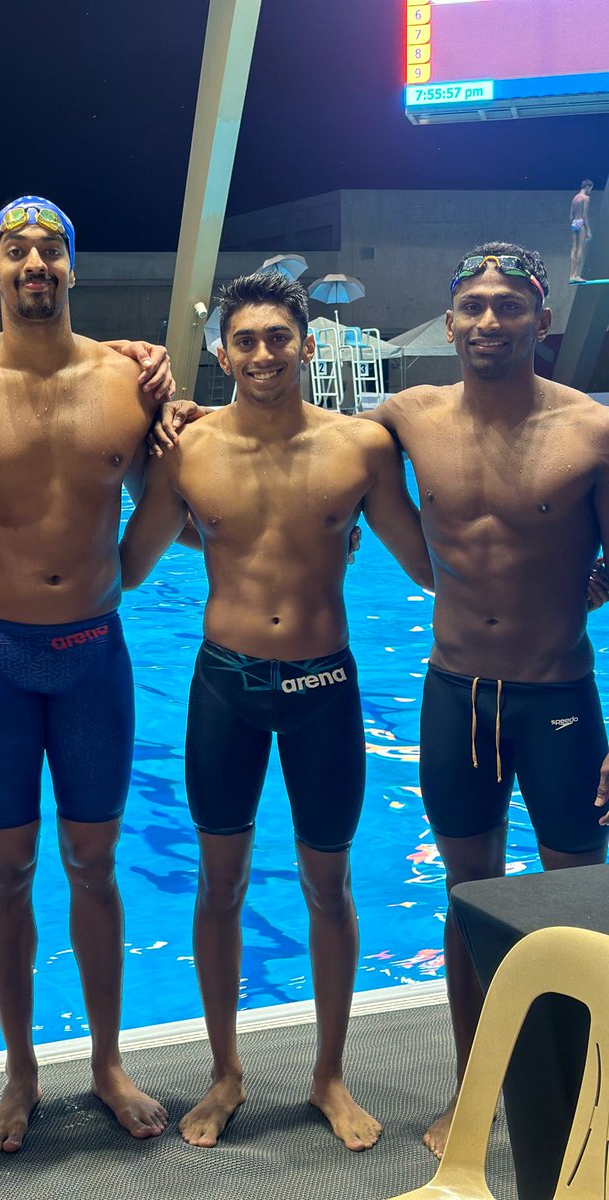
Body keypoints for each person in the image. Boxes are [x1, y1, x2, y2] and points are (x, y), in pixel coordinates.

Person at [119, 271, 434, 1151]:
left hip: (324, 689)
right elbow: (126, 566)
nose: (262, 354)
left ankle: (329, 1076)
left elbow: (428, 566)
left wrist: (568, 563)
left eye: (278, 339)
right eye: (246, 340)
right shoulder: (185, 452)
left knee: (327, 887)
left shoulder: (361, 448)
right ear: (222, 352)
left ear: (306, 344)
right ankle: (226, 1074)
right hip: (226, 685)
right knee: (218, 886)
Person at [0, 196, 170, 1153]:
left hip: (94, 653)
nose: (34, 264)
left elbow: (177, 497)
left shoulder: (128, 380)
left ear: (72, 267)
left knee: (94, 868)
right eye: (15, 250)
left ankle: (105, 1062)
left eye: (50, 249)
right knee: (6, 867)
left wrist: (124, 571)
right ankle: (21, 1072)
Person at [363, 244, 609, 1157]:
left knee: (579, 906)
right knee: (470, 899)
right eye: (472, 306)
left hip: (560, 702)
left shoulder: (590, 430)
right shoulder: (409, 417)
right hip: (456, 695)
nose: (489, 322)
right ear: (452, 320)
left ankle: (590, 1099)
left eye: (510, 307)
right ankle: (477, 1095)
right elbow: (295, 436)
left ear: (542, 321)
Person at [569, 180, 593, 282]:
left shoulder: (575, 199)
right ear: (587, 187)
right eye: (590, 188)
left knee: (574, 248)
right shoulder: (585, 198)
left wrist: (575, 223)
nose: (590, 191)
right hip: (580, 222)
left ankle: (571, 275)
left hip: (574, 222)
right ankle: (576, 274)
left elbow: (571, 216)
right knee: (580, 249)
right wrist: (588, 230)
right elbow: (584, 215)